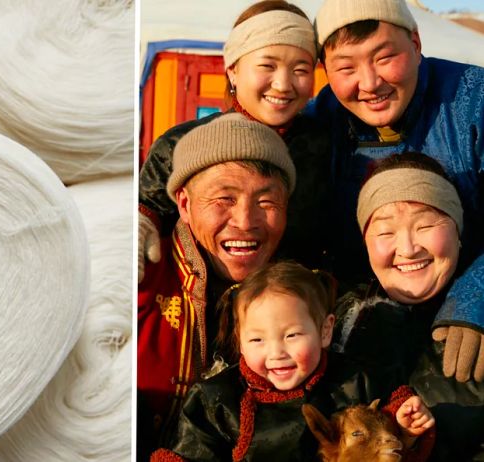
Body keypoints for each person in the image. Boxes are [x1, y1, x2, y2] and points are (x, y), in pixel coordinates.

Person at [310, 0, 484, 382]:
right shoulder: (322, 121)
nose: (370, 83)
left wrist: (476, 300)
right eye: (346, 68)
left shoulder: (474, 100)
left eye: (385, 57)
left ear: (417, 43)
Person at [151, 261, 435, 461]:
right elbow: (188, 454)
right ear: (239, 339)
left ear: (325, 330)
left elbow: (386, 439)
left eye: (292, 335)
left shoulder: (355, 381)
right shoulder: (217, 400)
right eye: (257, 340)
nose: (276, 353)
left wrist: (404, 428)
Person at [137, 113, 296, 459]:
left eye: (267, 202)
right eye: (224, 199)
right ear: (184, 204)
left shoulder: (302, 298)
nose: (245, 222)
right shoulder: (139, 275)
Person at [139, 0, 332, 284]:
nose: (283, 84)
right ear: (233, 70)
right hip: (200, 316)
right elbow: (148, 208)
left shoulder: (325, 144)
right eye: (267, 65)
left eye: (300, 70)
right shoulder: (181, 144)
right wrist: (141, 223)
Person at [333, 152, 484, 460]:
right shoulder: (334, 325)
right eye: (386, 232)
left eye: (426, 226)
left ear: (458, 232)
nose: (408, 249)